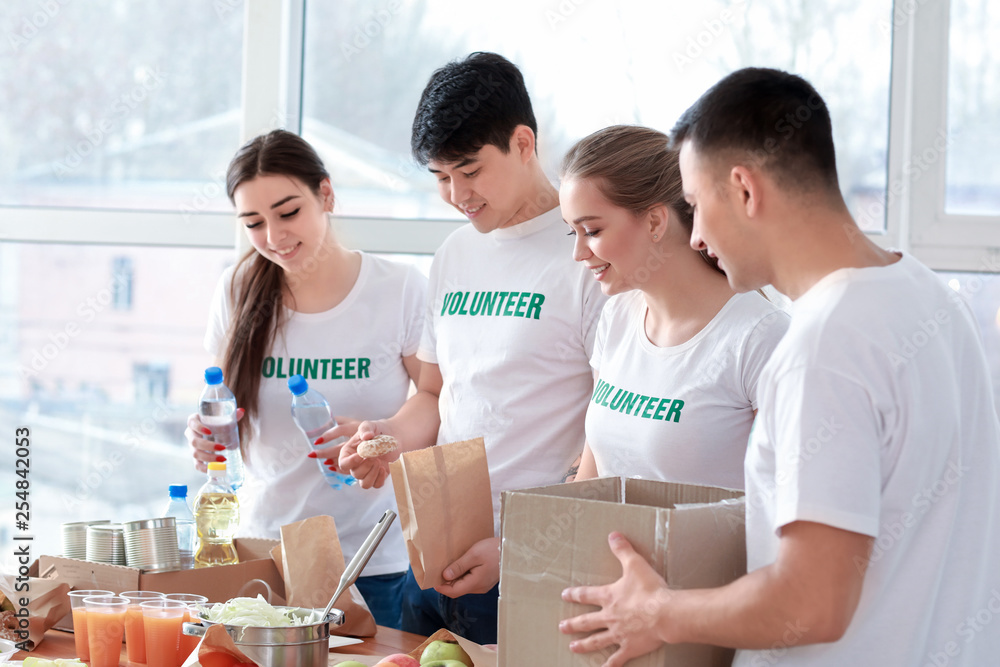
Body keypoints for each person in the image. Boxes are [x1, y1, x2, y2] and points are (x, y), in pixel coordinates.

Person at [559, 68, 1000, 666]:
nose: (696, 238)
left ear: (743, 189)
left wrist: (657, 612)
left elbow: (812, 601)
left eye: (694, 205)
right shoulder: (931, 298)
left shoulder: (819, 350)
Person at [331, 52, 606, 644]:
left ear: (523, 142)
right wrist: (386, 438)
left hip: (534, 563)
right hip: (433, 554)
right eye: (439, 177)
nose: (456, 194)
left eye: (469, 170)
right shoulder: (454, 254)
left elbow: (608, 435)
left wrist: (520, 546)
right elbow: (433, 392)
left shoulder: (585, 253)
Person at [185, 129, 426, 630]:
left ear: (327, 194)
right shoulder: (236, 289)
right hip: (264, 553)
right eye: (253, 222)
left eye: (288, 212)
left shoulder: (398, 289)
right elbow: (222, 406)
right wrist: (203, 437)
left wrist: (384, 435)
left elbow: (436, 397)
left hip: (369, 561)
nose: (274, 236)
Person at [561, 125, 788, 489]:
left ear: (655, 221)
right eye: (573, 233)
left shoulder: (761, 337)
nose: (579, 253)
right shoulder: (618, 317)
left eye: (593, 231)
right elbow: (591, 476)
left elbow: (781, 501)